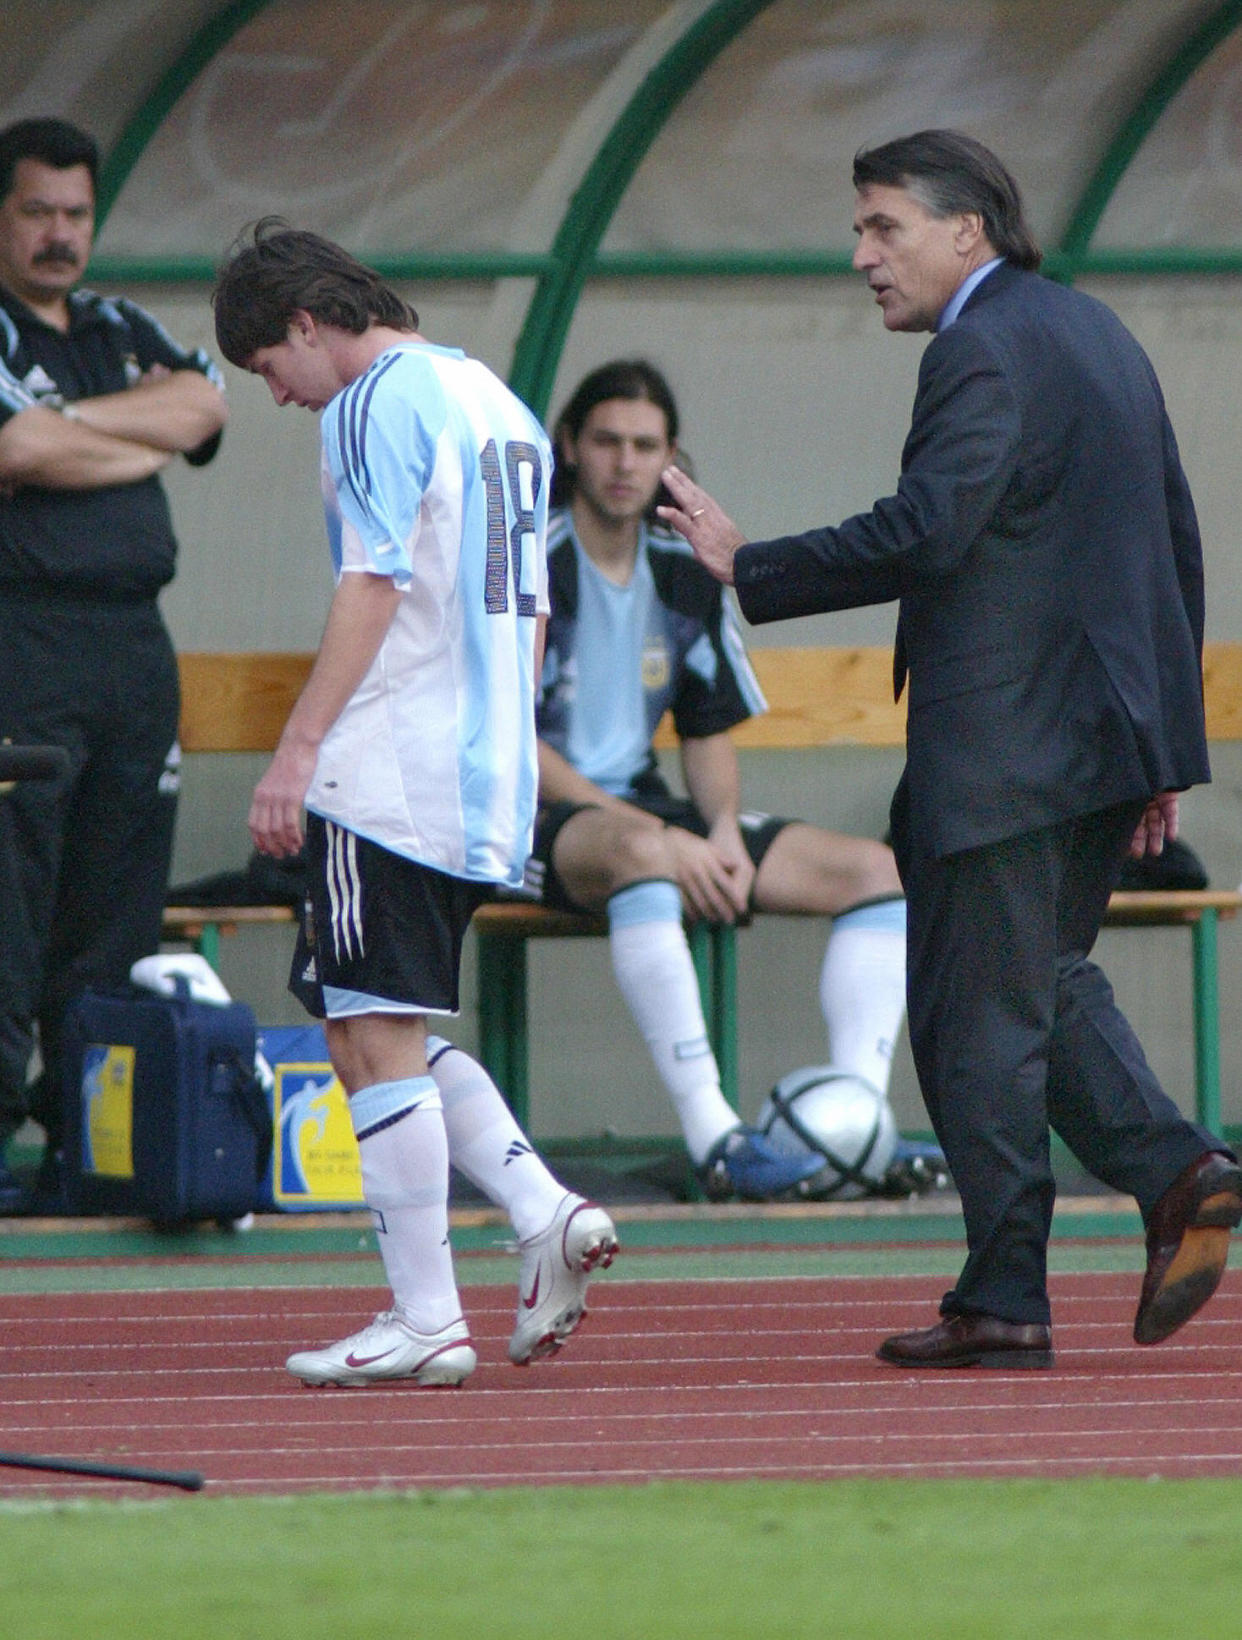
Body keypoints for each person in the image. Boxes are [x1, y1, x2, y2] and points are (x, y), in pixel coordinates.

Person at [660, 128, 1242, 1367]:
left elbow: (930, 528)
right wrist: (1158, 746)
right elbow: (1170, 543)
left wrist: (746, 562)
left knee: (973, 1015)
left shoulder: (982, 346)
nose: (862, 254)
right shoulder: (1092, 330)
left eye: (884, 226)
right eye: (861, 228)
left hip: (1011, 746)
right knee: (1035, 981)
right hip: (1093, 735)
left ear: (968, 227)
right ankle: (1170, 1176)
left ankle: (1022, 1282)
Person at [212, 220, 617, 1387]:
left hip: (390, 765)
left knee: (369, 1028)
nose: (280, 397)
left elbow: (373, 580)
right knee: (369, 1018)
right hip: (483, 772)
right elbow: (530, 608)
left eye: (267, 368)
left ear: (302, 323)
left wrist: (297, 749)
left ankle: (425, 1315)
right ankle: (540, 1208)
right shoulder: (496, 400)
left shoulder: (368, 402)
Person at [533, 359, 913, 1201]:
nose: (625, 463)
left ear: (671, 454)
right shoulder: (531, 556)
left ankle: (852, 1131)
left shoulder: (680, 563)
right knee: (642, 850)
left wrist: (720, 831)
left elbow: (706, 733)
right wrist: (667, 841)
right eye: (606, 442)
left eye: (645, 445)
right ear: (569, 445)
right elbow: (513, 745)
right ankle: (716, 1138)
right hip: (531, 817)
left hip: (646, 812)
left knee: (881, 873)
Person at [0, 117, 228, 1211]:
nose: (58, 234)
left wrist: (70, 426)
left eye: (75, 214)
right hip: (24, 643)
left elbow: (205, 406)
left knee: (116, 918)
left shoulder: (114, 322)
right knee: (12, 910)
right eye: (36, 210)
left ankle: (86, 1146)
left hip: (136, 648)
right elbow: (15, 448)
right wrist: (129, 439)